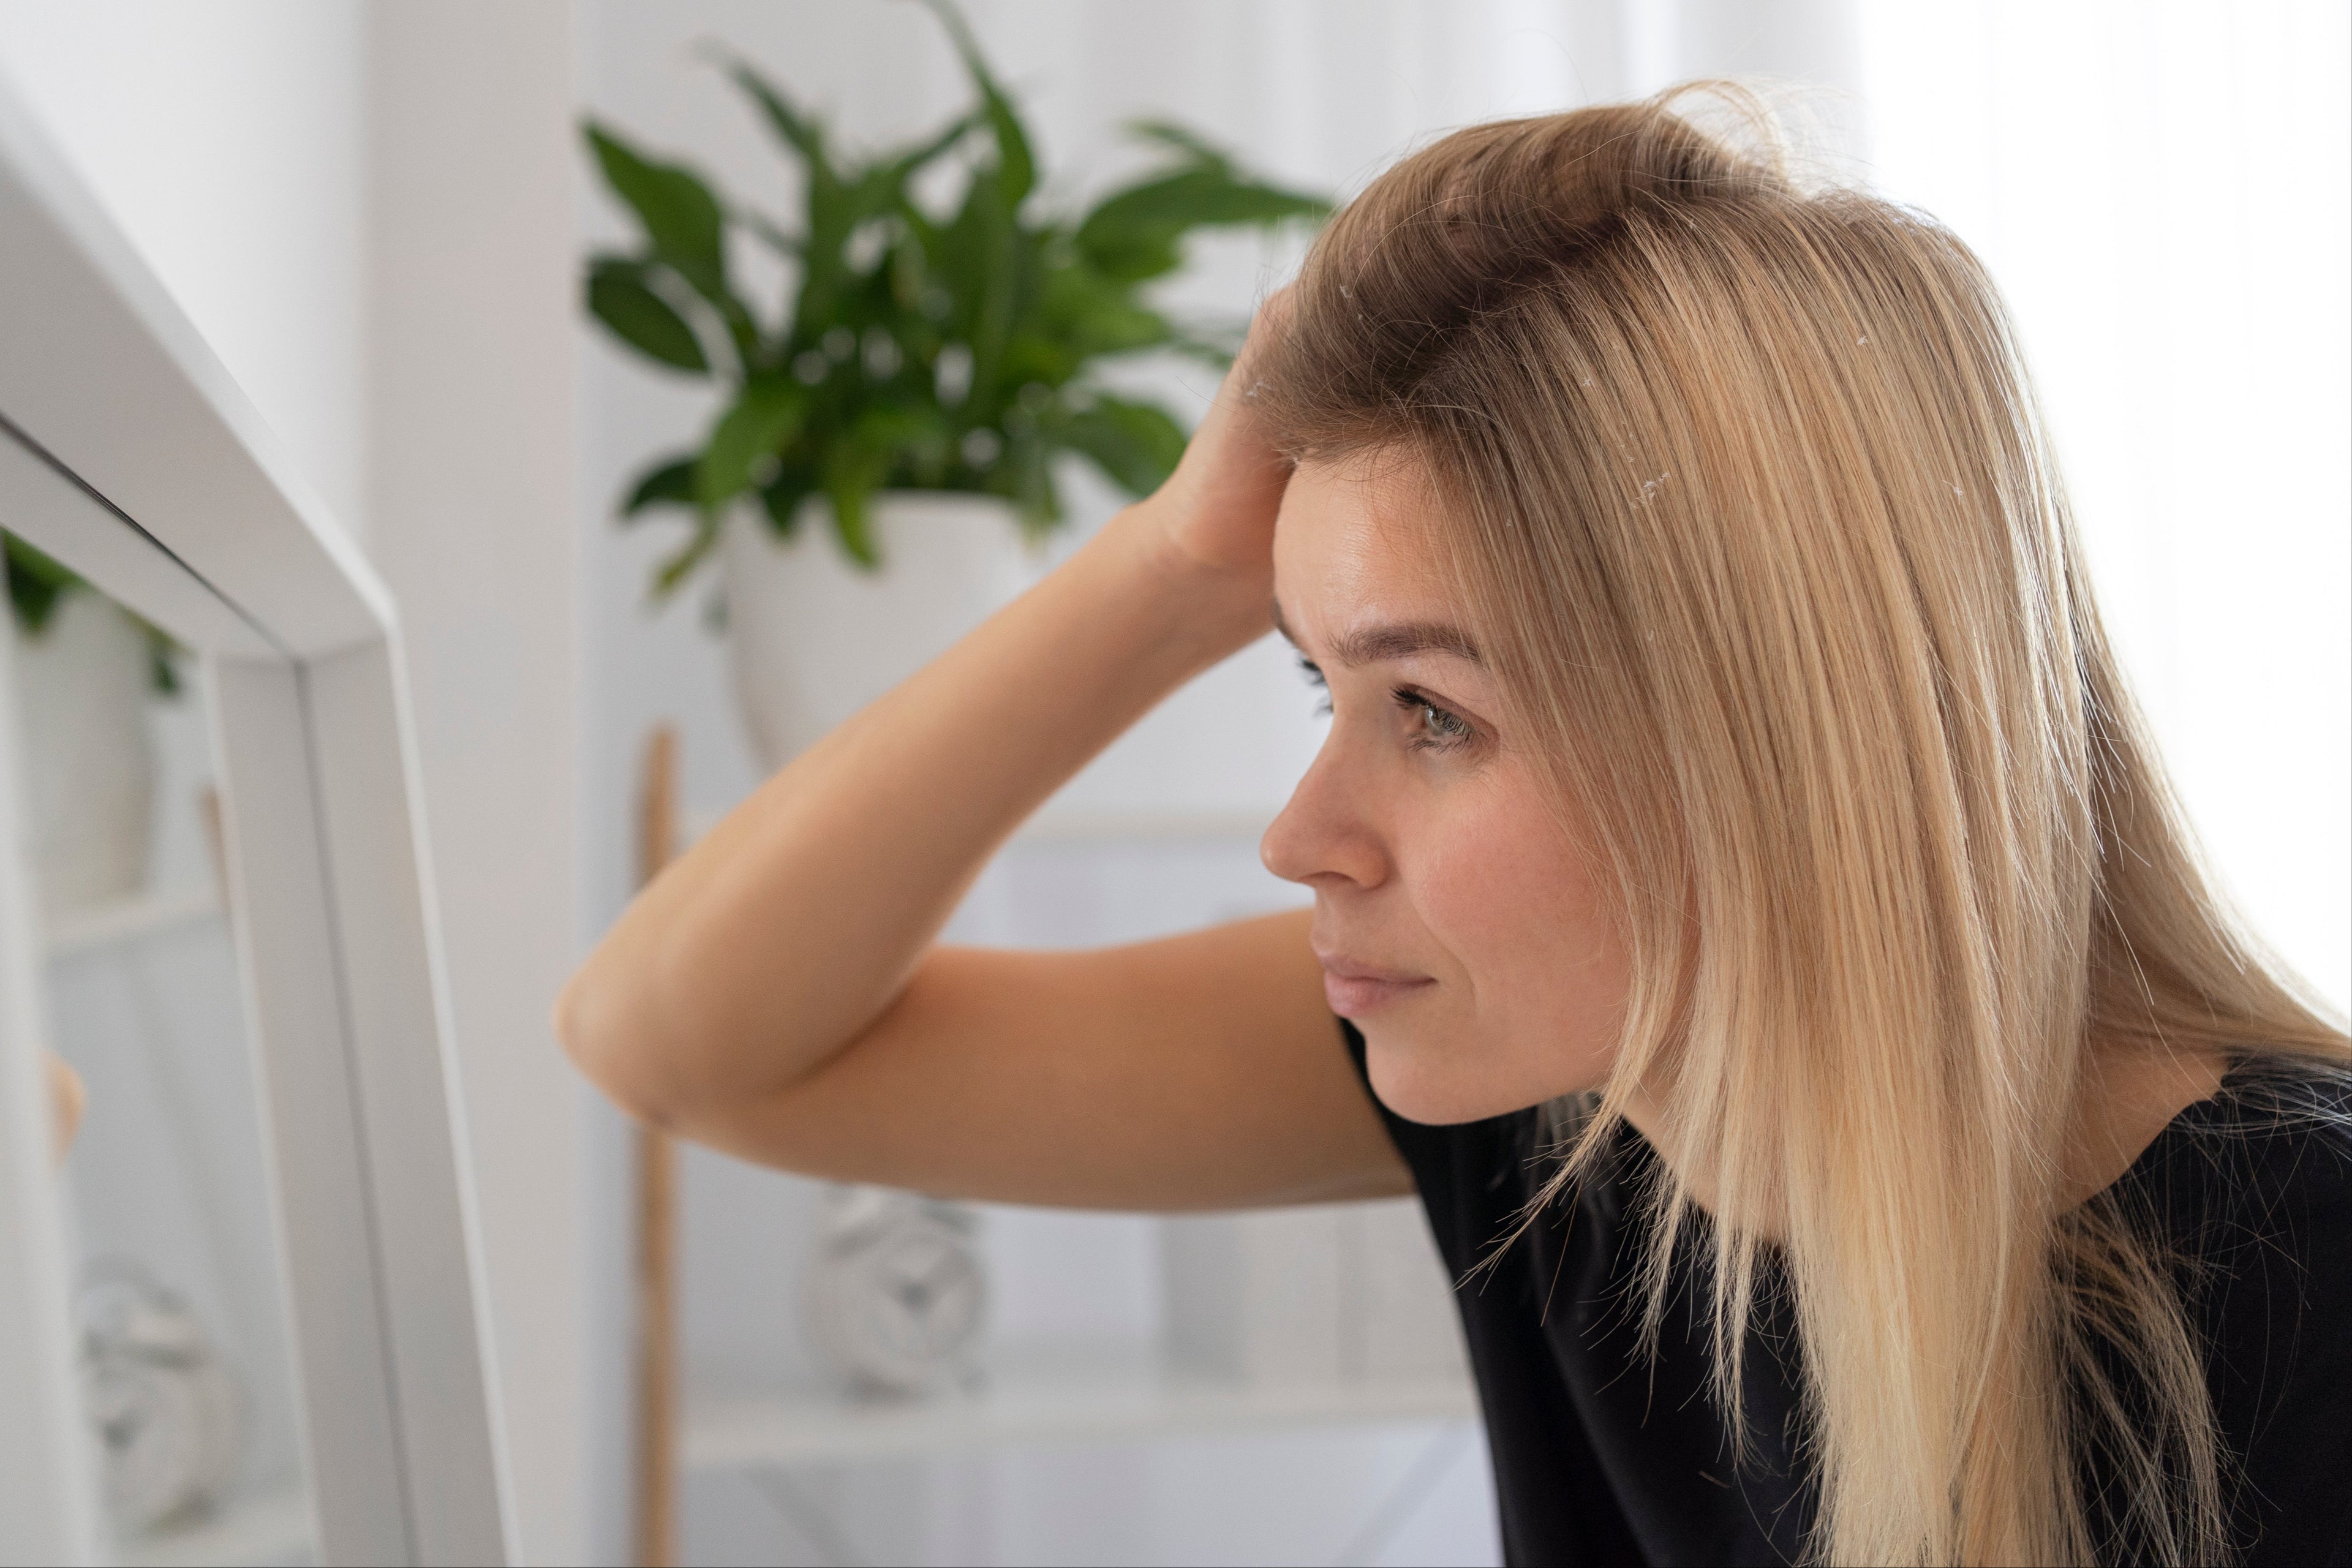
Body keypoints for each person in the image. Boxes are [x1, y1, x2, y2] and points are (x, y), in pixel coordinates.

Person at [559, 85, 2351, 1567]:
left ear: (1768, 739)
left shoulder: (2311, 1280)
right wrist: (1181, 562)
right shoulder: (1562, 1101)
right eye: (1312, 686)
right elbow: (676, 1045)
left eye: (1433, 712)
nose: (1303, 833)